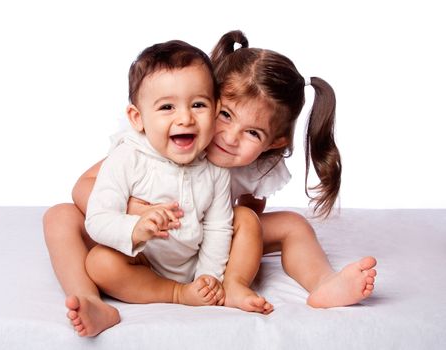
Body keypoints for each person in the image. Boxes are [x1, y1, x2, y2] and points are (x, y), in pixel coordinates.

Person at [43, 30, 377, 337]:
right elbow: (85, 187)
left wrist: (221, 271)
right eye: (225, 115)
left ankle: (320, 282)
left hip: (202, 245)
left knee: (278, 222)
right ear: (210, 98)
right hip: (145, 242)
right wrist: (132, 213)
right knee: (60, 217)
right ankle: (90, 300)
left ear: (271, 144)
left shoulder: (245, 168)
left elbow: (240, 225)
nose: (230, 139)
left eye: (252, 133)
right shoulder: (147, 143)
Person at [81, 39, 234, 308]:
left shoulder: (215, 167)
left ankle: (194, 288)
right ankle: (174, 293)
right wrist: (135, 229)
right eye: (167, 107)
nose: (185, 118)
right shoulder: (127, 157)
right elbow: (98, 218)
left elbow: (218, 227)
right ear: (137, 118)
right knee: (99, 262)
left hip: (192, 262)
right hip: (141, 261)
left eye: (198, 104)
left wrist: (208, 277)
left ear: (216, 107)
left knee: (243, 222)